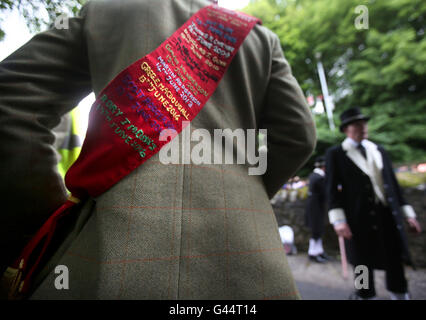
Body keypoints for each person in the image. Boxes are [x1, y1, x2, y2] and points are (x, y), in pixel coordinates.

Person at [0, 0, 315, 299]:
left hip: (97, 266)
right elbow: (299, 136)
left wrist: (45, 223)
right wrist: (247, 197)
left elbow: (11, 98)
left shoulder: (109, 10)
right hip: (252, 271)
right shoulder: (259, 39)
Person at [325, 107, 422, 300]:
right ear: (346, 129)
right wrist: (338, 221)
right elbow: (331, 190)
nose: (363, 127)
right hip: (357, 218)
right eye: (357, 124)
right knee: (361, 263)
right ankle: (364, 295)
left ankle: (400, 294)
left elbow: (393, 186)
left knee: (395, 258)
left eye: (364, 123)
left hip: (387, 215)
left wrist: (408, 214)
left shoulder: (379, 150)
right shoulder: (336, 154)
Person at [305, 156, 329, 263]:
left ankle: (318, 251)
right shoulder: (319, 178)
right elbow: (325, 193)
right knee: (316, 231)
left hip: (315, 206)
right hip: (315, 207)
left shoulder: (314, 176)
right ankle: (313, 253)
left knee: (318, 231)